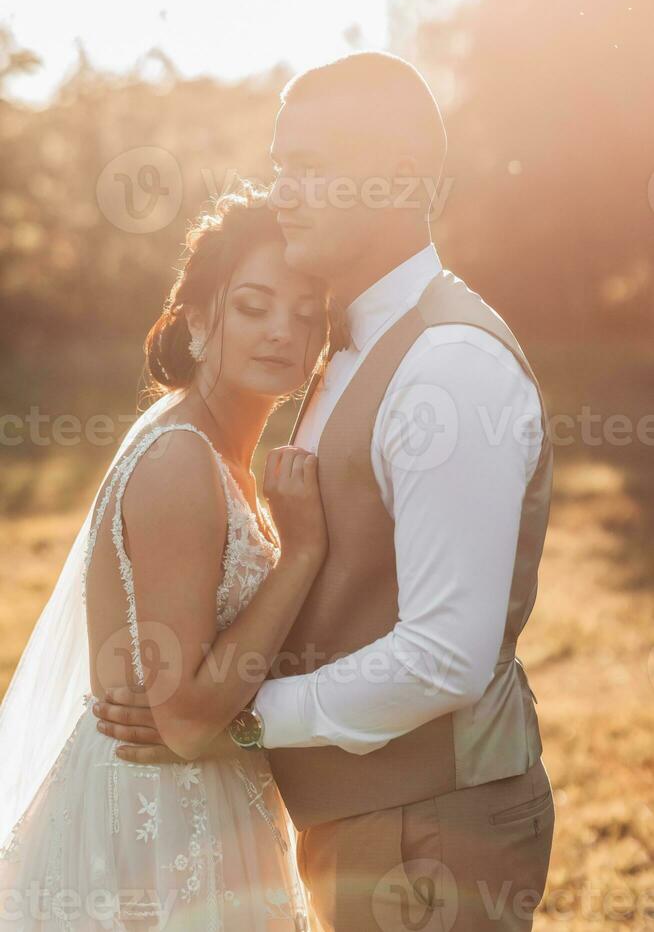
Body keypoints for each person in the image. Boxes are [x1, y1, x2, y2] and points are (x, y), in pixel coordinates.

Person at [98, 52, 556, 931]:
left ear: (398, 180)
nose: (284, 192)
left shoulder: (448, 368)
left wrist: (229, 720)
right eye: (280, 166)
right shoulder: (342, 341)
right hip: (367, 827)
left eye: (312, 167)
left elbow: (442, 657)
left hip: (430, 830)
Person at [0, 183, 332, 930]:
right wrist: (301, 552)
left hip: (210, 802)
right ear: (197, 321)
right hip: (157, 821)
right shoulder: (182, 458)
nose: (284, 330)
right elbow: (182, 720)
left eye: (307, 315)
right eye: (254, 306)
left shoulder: (225, 454)